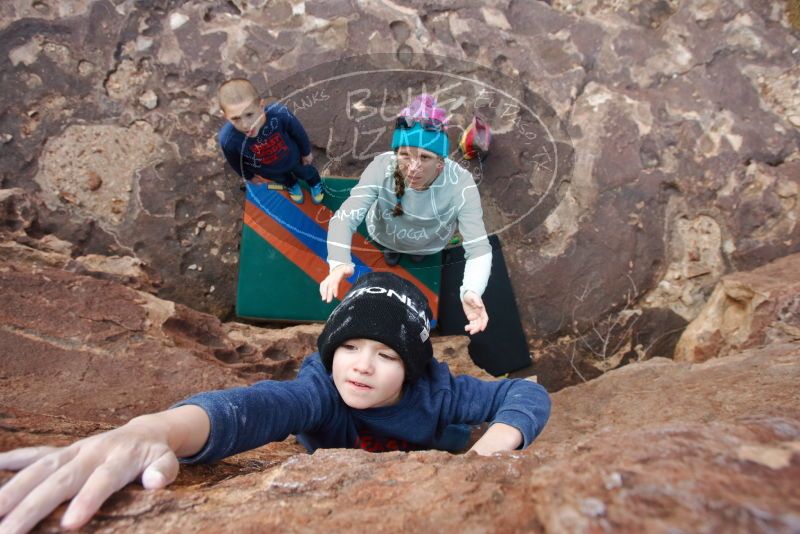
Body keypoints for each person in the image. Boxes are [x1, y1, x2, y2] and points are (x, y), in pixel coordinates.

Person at [0, 272, 550, 533]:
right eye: (349, 347)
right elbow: (255, 409)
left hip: (440, 458)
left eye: (385, 355)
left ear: (412, 366)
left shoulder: (440, 391)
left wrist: (487, 459)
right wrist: (155, 429)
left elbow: (523, 391)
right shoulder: (321, 392)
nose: (360, 365)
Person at [320, 94, 492, 334]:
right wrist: (338, 261)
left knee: (420, 253)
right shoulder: (382, 167)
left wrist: (471, 289)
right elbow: (346, 216)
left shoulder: (461, 184)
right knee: (390, 249)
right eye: (405, 155)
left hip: (428, 243)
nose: (413, 167)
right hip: (384, 234)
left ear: (440, 163)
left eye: (425, 157)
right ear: (396, 153)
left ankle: (416, 254)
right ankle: (392, 251)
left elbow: (479, 247)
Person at [218, 78, 324, 204]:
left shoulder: (280, 114)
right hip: (268, 170)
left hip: (294, 158)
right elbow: (235, 161)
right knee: (283, 180)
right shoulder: (227, 140)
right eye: (235, 118)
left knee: (307, 172)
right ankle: (292, 185)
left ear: (261, 106)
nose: (245, 125)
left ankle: (315, 183)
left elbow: (298, 132)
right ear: (225, 116)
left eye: (249, 114)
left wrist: (306, 152)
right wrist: (248, 176)